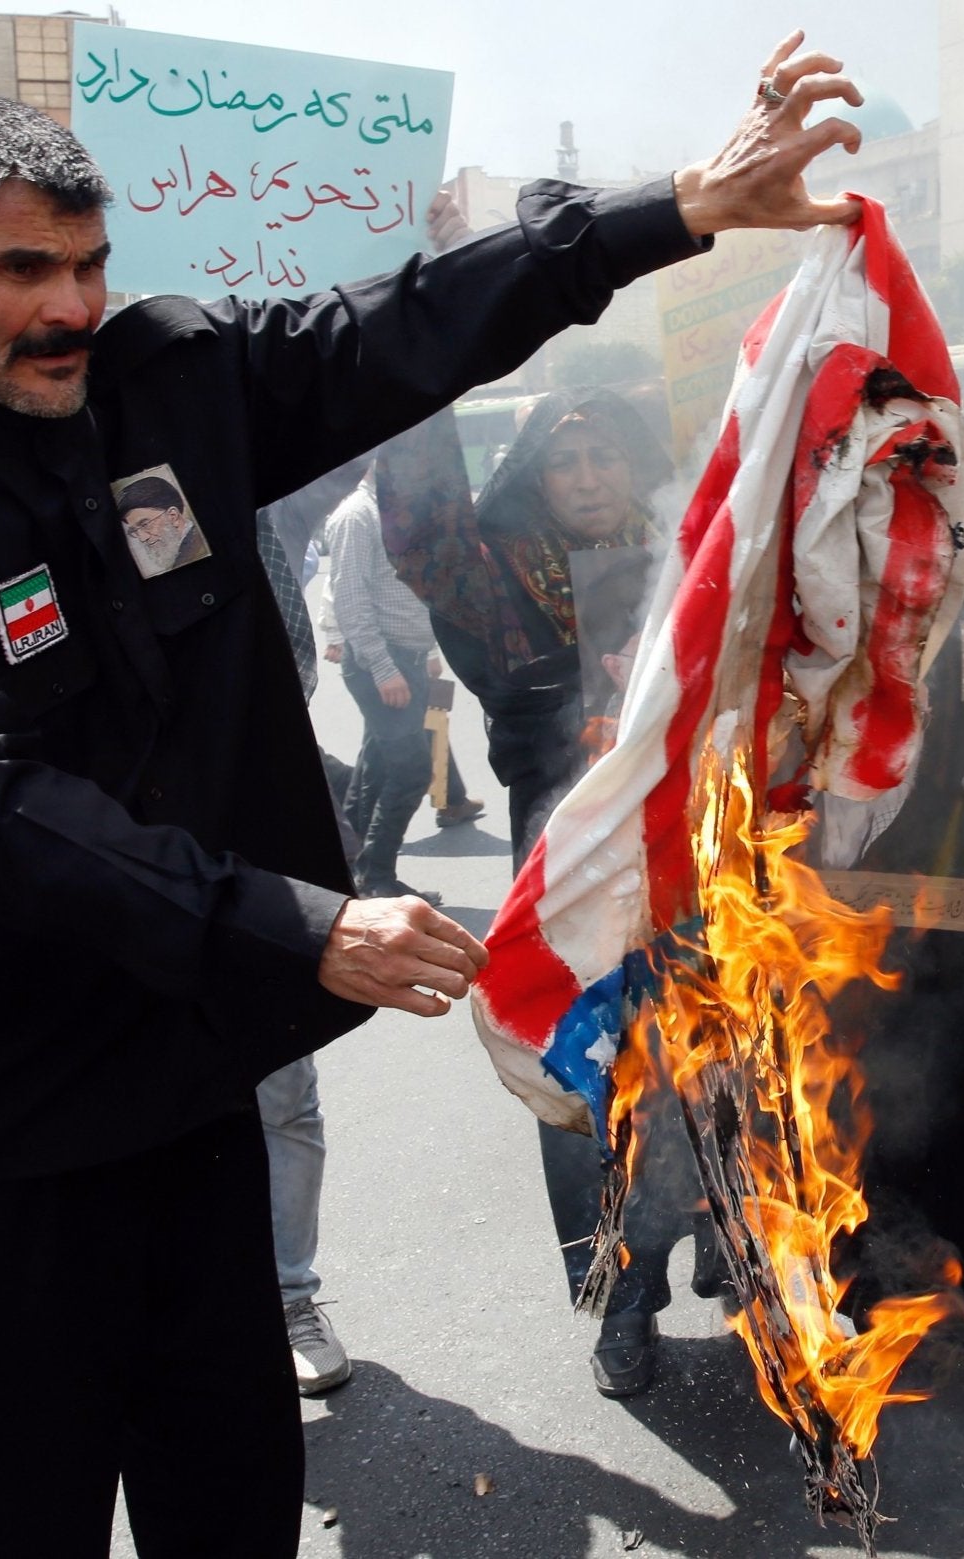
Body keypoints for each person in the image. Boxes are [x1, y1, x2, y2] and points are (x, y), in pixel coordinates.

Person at [0, 40, 865, 1557]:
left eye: (88, 263)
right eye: (23, 269)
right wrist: (295, 919)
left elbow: (405, 328)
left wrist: (677, 208)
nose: (72, 307)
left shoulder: (170, 383)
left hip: (192, 1104)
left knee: (234, 1510)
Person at [380, 387, 722, 1397]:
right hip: (565, 886)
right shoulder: (492, 583)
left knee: (709, 1069)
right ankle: (619, 1300)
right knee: (585, 1088)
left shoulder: (687, 558)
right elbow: (423, 523)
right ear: (535, 473)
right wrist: (422, 361)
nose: (585, 475)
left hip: (690, 862)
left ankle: (726, 1239)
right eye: (565, 459)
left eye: (604, 454)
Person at [329, 466, 447, 904]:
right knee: (412, 769)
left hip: (407, 660)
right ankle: (377, 876)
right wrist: (383, 668)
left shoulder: (394, 514)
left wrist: (427, 651)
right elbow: (349, 599)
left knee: (376, 770)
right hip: (383, 662)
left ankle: (353, 873)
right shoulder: (357, 515)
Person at [116, 472, 209, 576]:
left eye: (145, 524)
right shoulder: (180, 555)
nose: (142, 538)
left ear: (172, 516)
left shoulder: (197, 550)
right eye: (134, 531)